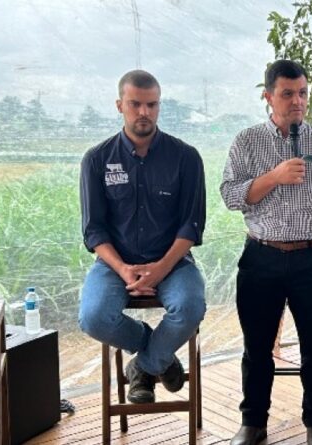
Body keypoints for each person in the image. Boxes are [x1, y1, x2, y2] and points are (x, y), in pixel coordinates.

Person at [220, 59, 312, 445]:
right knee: (257, 347)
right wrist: (274, 177)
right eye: (287, 94)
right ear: (268, 96)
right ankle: (253, 422)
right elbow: (230, 195)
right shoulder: (247, 141)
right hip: (261, 257)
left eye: (303, 93)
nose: (297, 101)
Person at [78, 70, 207, 405]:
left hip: (173, 262)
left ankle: (144, 367)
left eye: (152, 105)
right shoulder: (97, 159)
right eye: (135, 104)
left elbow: (192, 225)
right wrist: (123, 269)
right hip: (115, 264)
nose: (144, 112)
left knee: (191, 307)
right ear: (120, 105)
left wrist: (161, 269)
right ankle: (157, 350)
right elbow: (94, 229)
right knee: (93, 318)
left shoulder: (186, 157)